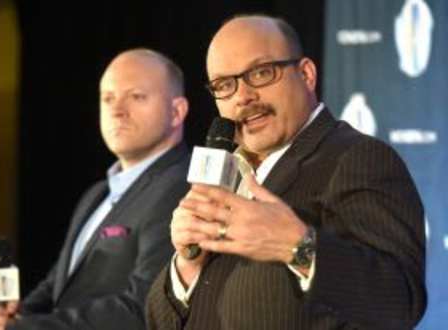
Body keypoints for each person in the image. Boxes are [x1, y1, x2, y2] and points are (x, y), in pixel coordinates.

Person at [146, 15, 427, 329]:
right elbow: (159, 321)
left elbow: (399, 302)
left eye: (261, 73)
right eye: (225, 85)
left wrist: (297, 246)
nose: (242, 97)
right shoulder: (226, 175)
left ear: (306, 74)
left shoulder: (357, 158)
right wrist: (187, 264)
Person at [0, 48, 191, 330]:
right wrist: (7, 321)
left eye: (136, 96)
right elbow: (57, 285)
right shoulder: (96, 195)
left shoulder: (182, 186)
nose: (117, 110)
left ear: (177, 112)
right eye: (108, 98)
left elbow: (147, 304)